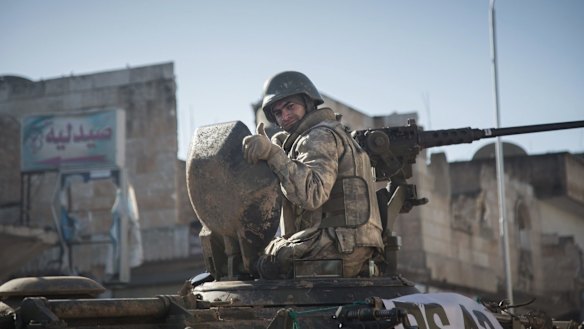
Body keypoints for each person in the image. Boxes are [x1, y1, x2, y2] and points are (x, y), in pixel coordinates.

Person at [242, 71, 384, 279]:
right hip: (350, 244)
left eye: (290, 106)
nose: (285, 116)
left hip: (339, 248)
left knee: (261, 266)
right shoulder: (325, 132)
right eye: (278, 112)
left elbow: (312, 194)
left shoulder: (318, 135)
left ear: (308, 103)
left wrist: (273, 154)